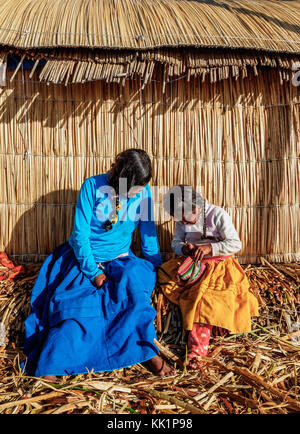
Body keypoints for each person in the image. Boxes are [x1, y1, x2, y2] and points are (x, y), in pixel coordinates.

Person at [21, 149, 174, 380]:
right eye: (135, 189)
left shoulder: (144, 192)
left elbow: (148, 235)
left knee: (134, 295)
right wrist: (93, 272)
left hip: (121, 259)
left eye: (142, 187)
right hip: (84, 259)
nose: (139, 193)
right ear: (121, 181)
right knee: (76, 309)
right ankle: (54, 362)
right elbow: (80, 236)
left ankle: (146, 351)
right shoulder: (92, 187)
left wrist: (158, 268)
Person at [158, 185, 259, 368]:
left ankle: (197, 352)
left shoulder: (217, 214)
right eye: (179, 219)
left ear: (197, 206)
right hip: (194, 265)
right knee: (165, 275)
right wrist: (183, 248)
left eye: (187, 218)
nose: (184, 223)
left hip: (219, 266)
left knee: (205, 301)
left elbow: (235, 243)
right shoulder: (182, 221)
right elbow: (176, 242)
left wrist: (211, 248)